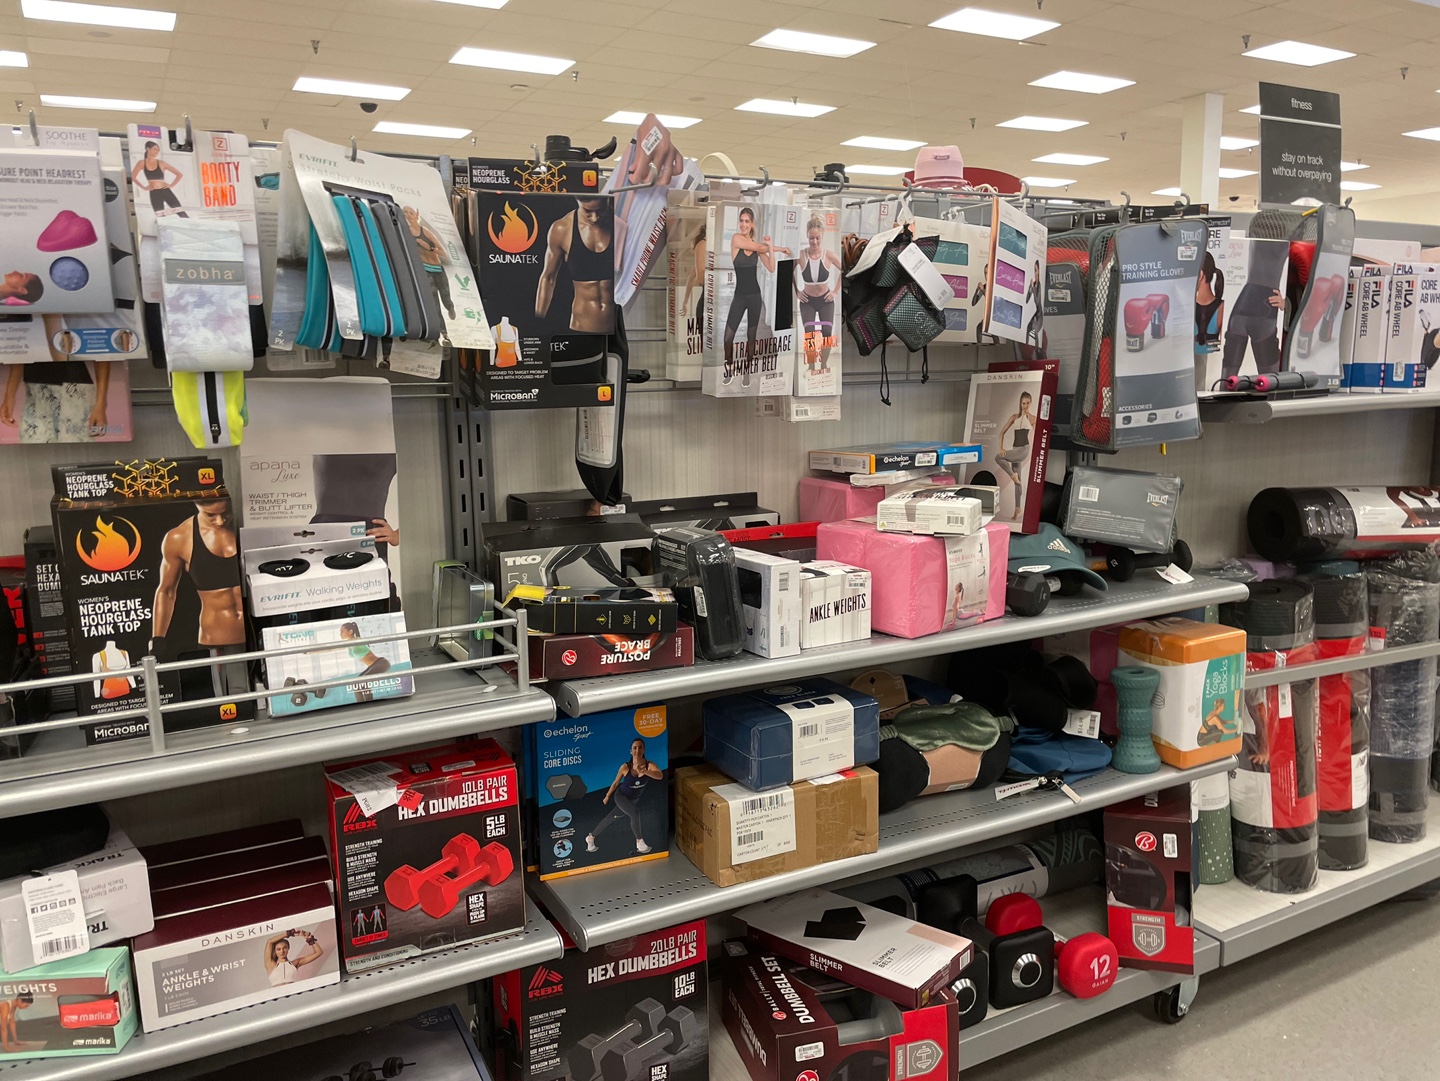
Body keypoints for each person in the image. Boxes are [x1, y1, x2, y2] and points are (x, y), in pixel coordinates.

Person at [151, 498, 245, 697]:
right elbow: (167, 591)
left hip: (256, 634)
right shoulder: (180, 538)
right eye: (211, 515)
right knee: (231, 701)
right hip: (218, 637)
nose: (220, 521)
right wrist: (158, 640)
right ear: (197, 505)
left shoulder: (245, 522)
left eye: (225, 513)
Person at [724, 206, 789, 380]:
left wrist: (770, 247)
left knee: (751, 336)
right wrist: (780, 248)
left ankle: (747, 372)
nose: (743, 224)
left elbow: (771, 267)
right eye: (741, 221)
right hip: (739, 297)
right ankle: (729, 367)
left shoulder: (758, 248)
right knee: (728, 336)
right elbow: (757, 246)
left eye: (747, 221)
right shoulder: (736, 239)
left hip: (754, 296)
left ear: (752, 223)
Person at [536, 196, 614, 334]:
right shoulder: (562, 229)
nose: (595, 218)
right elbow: (548, 278)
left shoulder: (620, 224)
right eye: (588, 211)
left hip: (618, 326)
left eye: (601, 210)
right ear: (578, 202)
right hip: (582, 326)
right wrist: (537, 322)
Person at [1221, 237, 1287, 379]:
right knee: (1270, 381)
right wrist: (1287, 303)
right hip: (1263, 310)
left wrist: (1286, 303)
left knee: (1228, 380)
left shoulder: (1260, 234)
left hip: (1245, 305)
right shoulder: (1287, 241)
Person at [585, 737, 663, 856]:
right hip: (621, 796)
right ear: (631, 751)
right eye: (634, 748)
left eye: (640, 747)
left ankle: (591, 838)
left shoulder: (649, 765)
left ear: (644, 750)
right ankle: (639, 842)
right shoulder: (625, 767)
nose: (637, 750)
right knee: (635, 813)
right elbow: (616, 783)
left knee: (611, 817)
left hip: (633, 799)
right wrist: (607, 796)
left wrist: (645, 772)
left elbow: (660, 776)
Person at [795, 215, 841, 375]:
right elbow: (786, 272)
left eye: (817, 238)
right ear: (807, 236)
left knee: (826, 333)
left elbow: (846, 270)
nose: (814, 241)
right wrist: (796, 291)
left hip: (825, 301)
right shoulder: (801, 255)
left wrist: (835, 291)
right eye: (811, 238)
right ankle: (811, 366)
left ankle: (823, 364)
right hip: (807, 301)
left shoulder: (829, 255)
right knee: (809, 334)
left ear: (822, 237)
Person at [402, 206, 455, 320]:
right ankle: (442, 329)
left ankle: (450, 307)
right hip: (425, 270)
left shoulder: (425, 231)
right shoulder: (405, 233)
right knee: (434, 303)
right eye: (405, 212)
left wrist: (429, 247)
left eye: (411, 212)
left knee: (445, 298)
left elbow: (443, 253)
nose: (408, 215)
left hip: (438, 269)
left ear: (417, 215)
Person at [996, 391, 1036, 520]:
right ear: (1020, 403)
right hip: (1015, 449)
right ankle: (1018, 508)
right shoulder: (1014, 417)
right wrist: (1001, 447)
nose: (1025, 406)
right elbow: (1002, 432)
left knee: (998, 458)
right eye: (1023, 403)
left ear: (1030, 403)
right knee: (1017, 481)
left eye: (1028, 403)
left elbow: (1038, 437)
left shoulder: (1033, 418)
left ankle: (1012, 475)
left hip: (1023, 450)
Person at [339, 620, 391, 702]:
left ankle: (369, 704)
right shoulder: (349, 645)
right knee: (356, 684)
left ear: (350, 631)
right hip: (373, 666)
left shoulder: (356, 640)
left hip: (381, 663)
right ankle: (361, 704)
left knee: (362, 681)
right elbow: (332, 649)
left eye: (342, 631)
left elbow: (334, 647)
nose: (340, 634)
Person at [131, 140, 187, 216]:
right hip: (154, 193)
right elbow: (133, 177)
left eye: (158, 150)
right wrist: (144, 187)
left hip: (165, 191)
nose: (157, 152)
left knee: (181, 213)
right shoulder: (141, 163)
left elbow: (179, 174)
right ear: (148, 149)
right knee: (160, 216)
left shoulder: (161, 163)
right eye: (155, 149)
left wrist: (171, 185)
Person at [1195, 250, 1226, 351]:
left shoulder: (1187, 306)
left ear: (1200, 275)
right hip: (1212, 357)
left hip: (1198, 359)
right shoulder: (1222, 307)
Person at [681, 224, 706, 333]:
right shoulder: (702, 245)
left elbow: (692, 276)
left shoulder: (711, 247)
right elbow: (700, 278)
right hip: (707, 303)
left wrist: (685, 301)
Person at [1024, 259, 1043, 347]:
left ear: (1039, 271)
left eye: (1036, 270)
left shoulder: (1039, 285)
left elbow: (1037, 301)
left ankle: (1037, 349)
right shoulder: (1034, 284)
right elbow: (1027, 300)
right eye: (1034, 270)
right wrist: (1030, 288)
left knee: (1035, 330)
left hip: (1039, 315)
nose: (1035, 273)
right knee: (1028, 328)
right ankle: (1026, 345)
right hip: (1035, 313)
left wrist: (1033, 289)